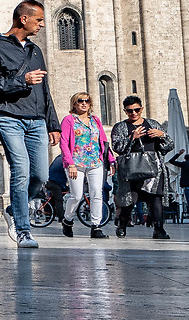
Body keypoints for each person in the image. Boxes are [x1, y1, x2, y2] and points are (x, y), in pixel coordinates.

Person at [0, 0, 60, 250]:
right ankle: (24, 230)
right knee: (21, 170)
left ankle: (14, 209)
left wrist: (52, 123)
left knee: (40, 175)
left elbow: (45, 89)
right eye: (39, 20)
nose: (43, 25)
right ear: (23, 19)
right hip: (8, 116)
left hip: (36, 120)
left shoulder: (36, 51)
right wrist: (21, 80)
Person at [111, 96, 171, 238]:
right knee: (129, 200)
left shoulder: (153, 123)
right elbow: (117, 147)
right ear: (125, 111)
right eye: (130, 111)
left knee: (156, 197)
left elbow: (169, 146)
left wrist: (162, 135)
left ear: (142, 109)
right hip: (132, 168)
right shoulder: (121, 127)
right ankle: (122, 224)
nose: (134, 113)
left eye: (137, 110)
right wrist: (132, 137)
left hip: (153, 166)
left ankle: (159, 229)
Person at [58, 92, 112, 238]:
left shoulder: (95, 120)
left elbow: (103, 141)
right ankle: (67, 220)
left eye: (86, 101)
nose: (84, 103)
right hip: (75, 162)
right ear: (74, 104)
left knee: (96, 194)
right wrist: (70, 164)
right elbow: (63, 142)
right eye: (80, 101)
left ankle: (96, 226)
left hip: (95, 161)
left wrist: (111, 159)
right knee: (76, 195)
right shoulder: (69, 120)